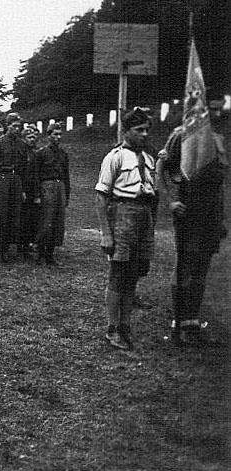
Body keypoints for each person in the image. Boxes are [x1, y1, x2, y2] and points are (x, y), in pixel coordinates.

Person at [157, 99, 228, 345]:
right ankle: (180, 322)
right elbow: (161, 167)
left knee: (201, 270)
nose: (219, 112)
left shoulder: (217, 138)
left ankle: (192, 320)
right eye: (214, 108)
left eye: (221, 108)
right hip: (189, 214)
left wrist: (220, 220)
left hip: (210, 216)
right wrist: (170, 201)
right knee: (186, 267)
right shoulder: (181, 134)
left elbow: (219, 182)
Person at [95, 108, 157, 350]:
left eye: (146, 130)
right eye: (138, 130)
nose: (144, 134)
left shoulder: (149, 158)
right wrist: (106, 233)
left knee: (135, 273)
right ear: (125, 130)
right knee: (119, 274)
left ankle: (125, 324)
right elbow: (101, 197)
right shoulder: (115, 157)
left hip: (144, 216)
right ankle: (112, 328)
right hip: (122, 215)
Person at [0, 113, 30, 262]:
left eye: (19, 126)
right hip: (1, 179)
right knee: (1, 215)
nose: (16, 129)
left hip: (16, 180)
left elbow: (24, 168)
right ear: (7, 126)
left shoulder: (22, 144)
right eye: (13, 126)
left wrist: (23, 189)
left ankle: (9, 248)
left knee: (14, 215)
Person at [34, 123, 70, 265]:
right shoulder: (41, 153)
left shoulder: (63, 154)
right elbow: (35, 175)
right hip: (46, 186)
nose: (58, 137)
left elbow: (66, 176)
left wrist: (67, 194)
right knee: (46, 220)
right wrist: (37, 194)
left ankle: (50, 254)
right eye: (55, 134)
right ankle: (39, 252)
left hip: (60, 186)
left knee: (57, 221)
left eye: (60, 134)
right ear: (48, 136)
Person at [20, 125, 41, 256]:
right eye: (29, 137)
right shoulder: (21, 153)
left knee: (32, 218)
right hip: (22, 189)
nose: (32, 139)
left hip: (33, 189)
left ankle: (29, 243)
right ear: (24, 139)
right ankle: (21, 245)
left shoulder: (36, 153)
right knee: (22, 218)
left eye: (33, 137)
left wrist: (37, 193)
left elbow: (38, 174)